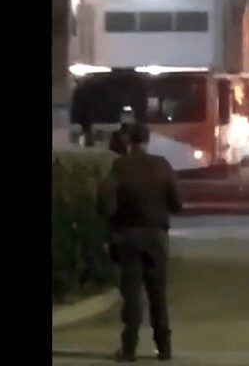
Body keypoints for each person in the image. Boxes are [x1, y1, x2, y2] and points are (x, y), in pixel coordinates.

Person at [103, 123, 182, 362]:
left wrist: (112, 227)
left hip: (128, 236)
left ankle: (129, 349)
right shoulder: (162, 165)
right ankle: (164, 348)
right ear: (147, 140)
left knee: (132, 294)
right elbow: (177, 203)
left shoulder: (119, 166)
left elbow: (107, 202)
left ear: (129, 141)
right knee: (157, 293)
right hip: (156, 236)